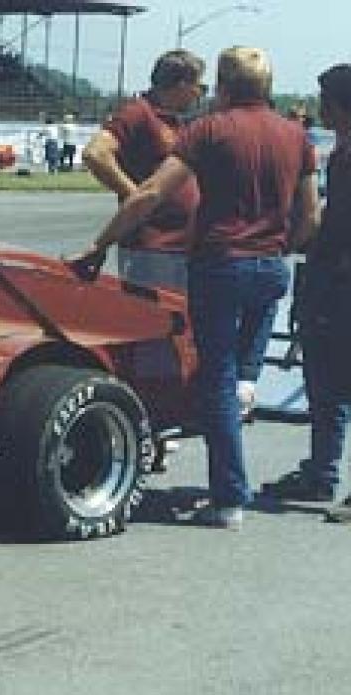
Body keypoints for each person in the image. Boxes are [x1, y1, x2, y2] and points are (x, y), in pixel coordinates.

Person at [67, 46, 319, 530]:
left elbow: (152, 192)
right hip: (271, 266)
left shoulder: (209, 129)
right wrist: (281, 247)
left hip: (220, 263)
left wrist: (101, 243)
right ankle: (249, 383)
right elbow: (310, 216)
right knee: (241, 367)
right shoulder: (297, 135)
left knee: (215, 376)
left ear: (224, 86)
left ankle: (229, 498)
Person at [262, 65, 351, 517]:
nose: (321, 109)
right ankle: (320, 473)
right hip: (326, 276)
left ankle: (324, 473)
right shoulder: (340, 152)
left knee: (337, 380)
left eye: (326, 101)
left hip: (341, 282)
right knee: (323, 383)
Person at [82, 50, 205, 293]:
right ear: (182, 85)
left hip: (182, 246)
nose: (200, 94)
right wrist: (135, 195)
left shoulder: (174, 121)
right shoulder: (138, 113)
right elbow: (95, 154)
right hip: (152, 247)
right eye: (200, 86)